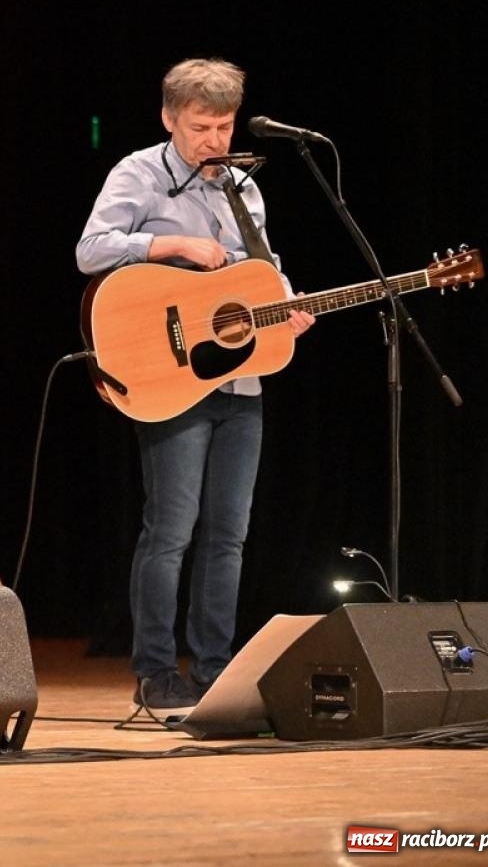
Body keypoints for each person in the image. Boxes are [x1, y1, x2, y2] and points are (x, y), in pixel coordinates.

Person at [75, 58, 314, 712]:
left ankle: (215, 671)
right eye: (201, 127)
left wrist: (288, 304)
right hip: (167, 373)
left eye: (225, 125)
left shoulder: (243, 186)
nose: (214, 139)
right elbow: (91, 249)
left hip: (239, 382)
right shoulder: (139, 173)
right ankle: (155, 670)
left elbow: (264, 271)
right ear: (169, 118)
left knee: (228, 532)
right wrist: (169, 247)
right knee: (171, 529)